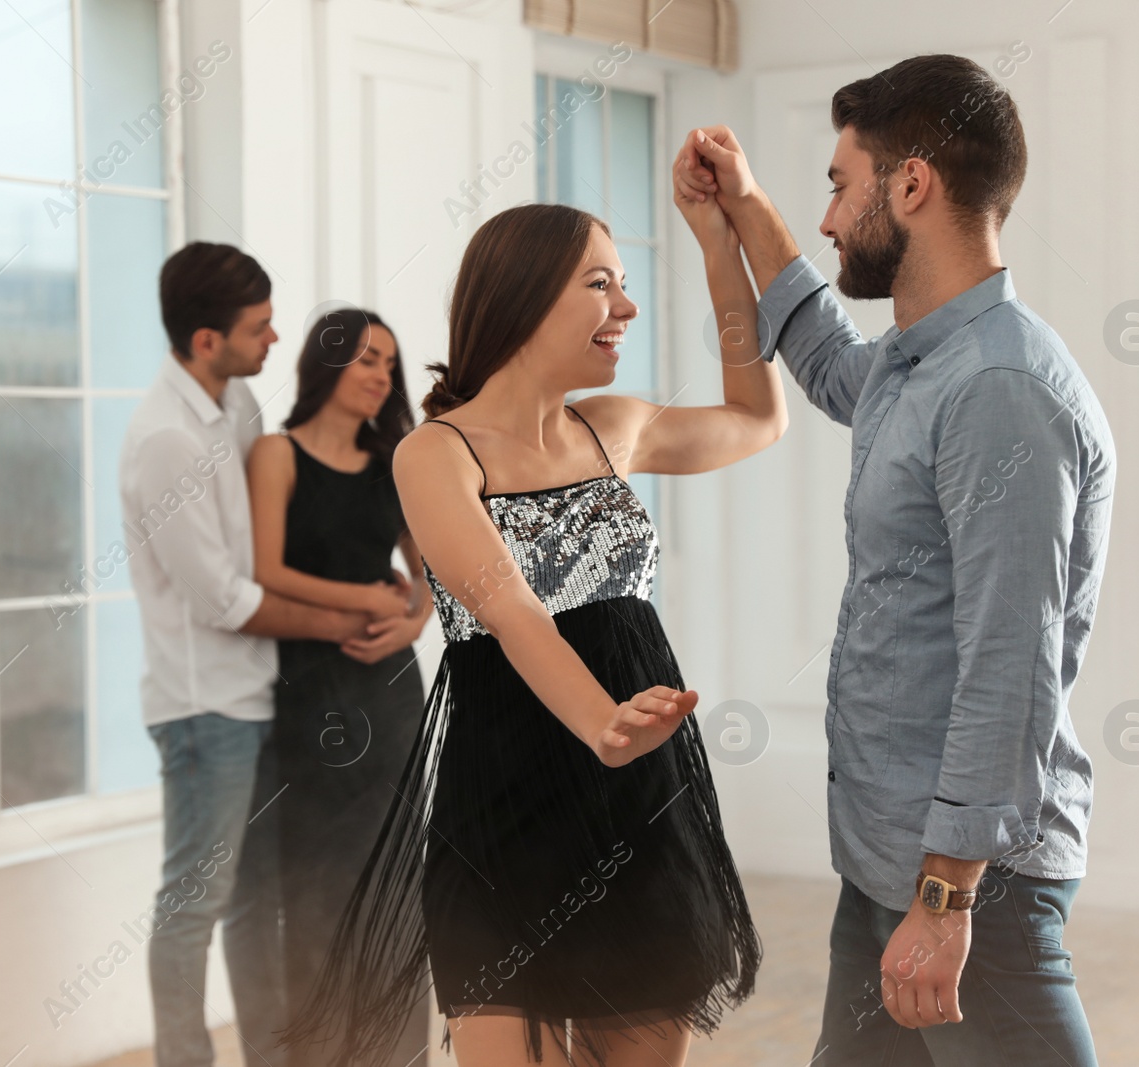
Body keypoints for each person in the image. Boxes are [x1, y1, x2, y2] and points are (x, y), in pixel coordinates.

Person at [673, 53, 1115, 1066]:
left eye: (837, 185)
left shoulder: (1001, 388)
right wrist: (742, 212)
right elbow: (829, 361)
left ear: (910, 184)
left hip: (969, 888)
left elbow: (1009, 666)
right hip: (890, 861)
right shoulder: (920, 362)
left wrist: (944, 900)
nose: (827, 219)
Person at [283, 197, 783, 1067]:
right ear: (521, 296)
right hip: (505, 810)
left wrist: (717, 245)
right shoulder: (435, 452)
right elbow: (510, 608)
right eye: (600, 284)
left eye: (625, 286)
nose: (625, 307)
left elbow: (759, 416)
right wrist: (603, 723)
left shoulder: (615, 427)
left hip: (639, 801)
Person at [119, 242, 368, 1067]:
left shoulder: (239, 407)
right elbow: (224, 598)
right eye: (258, 328)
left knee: (257, 900)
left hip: (262, 695)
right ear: (204, 340)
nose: (274, 339)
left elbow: (270, 547)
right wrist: (337, 619)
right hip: (203, 710)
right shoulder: (165, 442)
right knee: (196, 901)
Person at [232, 307, 431, 1066]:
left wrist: (412, 622)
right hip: (308, 696)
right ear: (328, 363)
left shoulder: (397, 463)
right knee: (314, 889)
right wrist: (368, 599)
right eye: (368, 359)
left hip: (389, 695)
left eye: (390, 362)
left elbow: (431, 573)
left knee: (393, 889)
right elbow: (265, 570)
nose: (382, 374)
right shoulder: (276, 455)